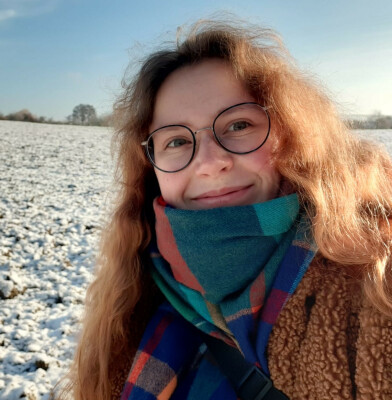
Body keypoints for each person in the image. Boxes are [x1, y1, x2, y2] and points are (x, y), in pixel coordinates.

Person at [55, 19, 392, 400]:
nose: (210, 162)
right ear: (151, 166)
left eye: (238, 125)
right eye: (177, 140)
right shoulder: (133, 300)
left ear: (292, 134)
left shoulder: (373, 275)